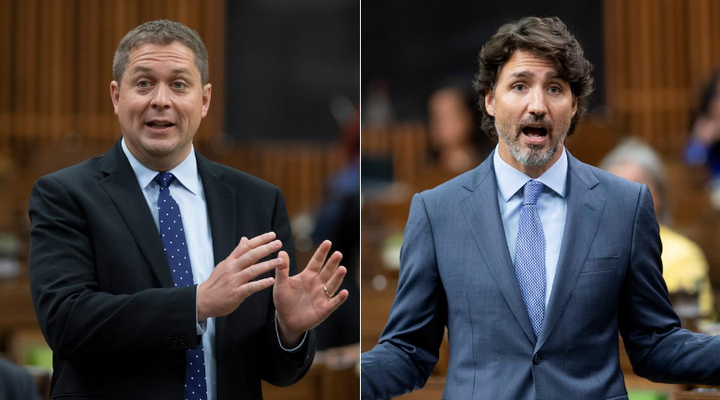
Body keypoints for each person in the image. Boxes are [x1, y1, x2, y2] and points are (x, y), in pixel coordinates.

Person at [361, 16, 720, 400]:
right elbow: (408, 350)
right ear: (490, 100)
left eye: (554, 88)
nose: (537, 105)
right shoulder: (437, 212)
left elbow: (656, 345)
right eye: (519, 86)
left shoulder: (625, 206)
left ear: (574, 104)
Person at [28, 20, 348, 400]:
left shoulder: (257, 201)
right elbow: (67, 323)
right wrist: (196, 303)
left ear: (205, 100)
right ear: (117, 96)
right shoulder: (64, 194)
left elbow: (275, 371)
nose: (160, 99)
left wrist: (288, 331)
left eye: (179, 84)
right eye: (144, 83)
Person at [601, 138, 715, 322]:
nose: (625, 198)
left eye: (636, 187)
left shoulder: (683, 254)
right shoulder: (586, 247)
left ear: (660, 195)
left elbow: (696, 327)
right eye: (615, 186)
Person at [426, 82, 493, 174]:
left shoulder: (490, 165)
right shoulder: (422, 168)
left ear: (468, 118)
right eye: (436, 117)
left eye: (450, 116)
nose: (441, 124)